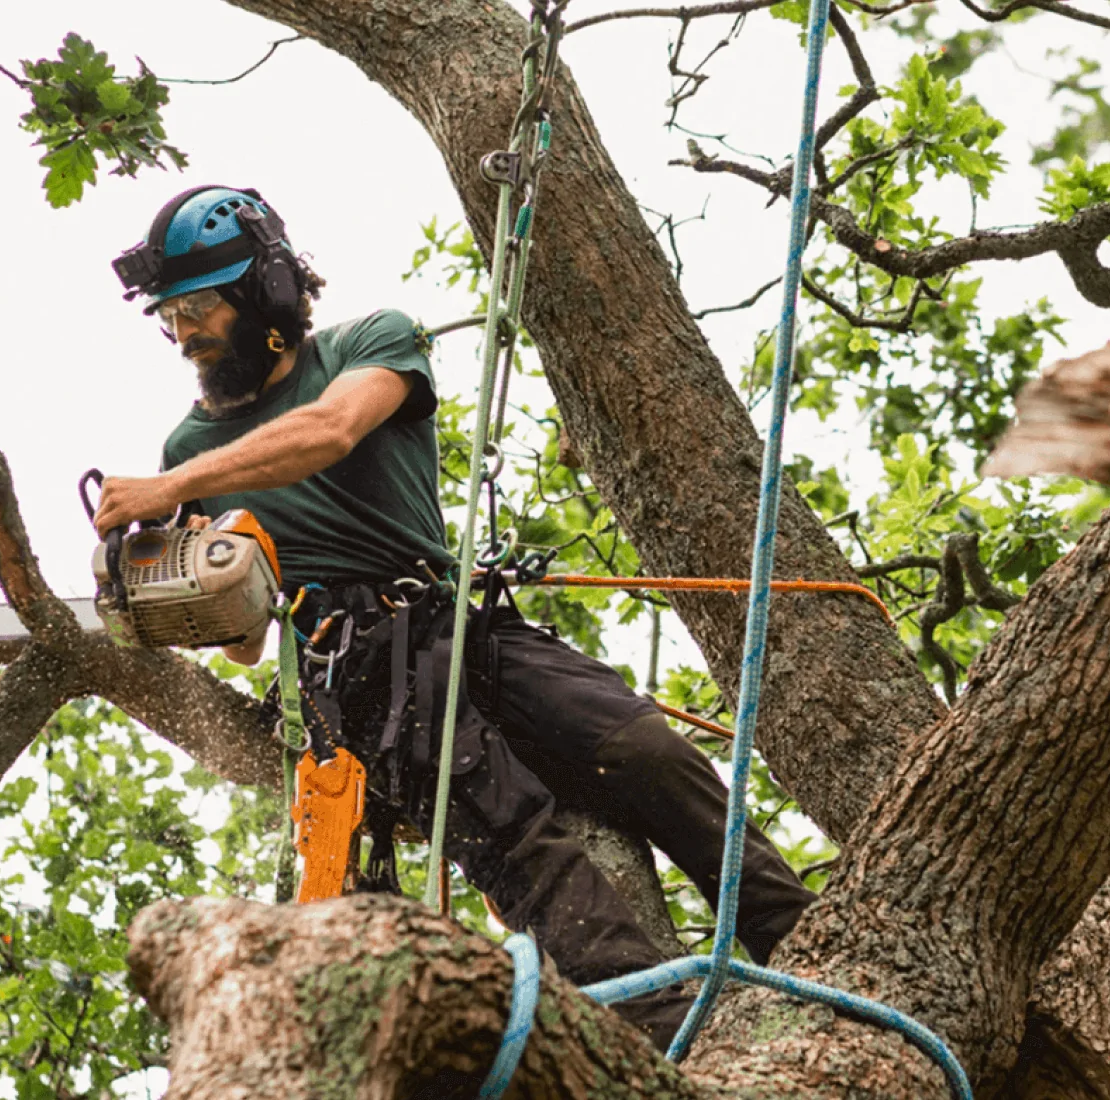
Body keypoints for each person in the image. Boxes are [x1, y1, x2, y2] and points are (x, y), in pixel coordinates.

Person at [95, 185, 816, 1049]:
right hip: (357, 667)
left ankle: (806, 943)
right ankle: (668, 1041)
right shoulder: (191, 449)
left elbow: (330, 432)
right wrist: (183, 585)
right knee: (518, 834)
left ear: (268, 292)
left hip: (455, 622)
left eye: (199, 307)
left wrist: (176, 488)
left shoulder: (372, 343)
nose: (184, 335)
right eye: (170, 316)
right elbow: (249, 645)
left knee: (643, 747)